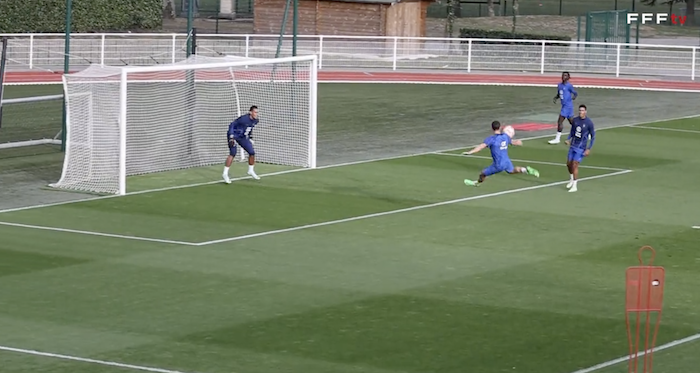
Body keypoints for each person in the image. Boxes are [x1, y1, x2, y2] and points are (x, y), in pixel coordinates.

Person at [463, 121, 540, 186]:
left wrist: (470, 152)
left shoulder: (491, 139)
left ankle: (477, 183)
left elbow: (480, 146)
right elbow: (513, 142)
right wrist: (518, 142)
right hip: (506, 161)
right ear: (500, 127)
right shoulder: (505, 136)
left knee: (483, 173)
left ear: (492, 128)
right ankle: (525, 169)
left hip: (498, 164)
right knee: (512, 170)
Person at [223, 105, 260, 184]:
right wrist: (231, 137)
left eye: (257, 112)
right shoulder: (243, 119)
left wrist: (250, 137)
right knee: (233, 153)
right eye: (255, 112)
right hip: (234, 136)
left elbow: (250, 129)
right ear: (250, 112)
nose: (256, 114)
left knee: (252, 152)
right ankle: (225, 174)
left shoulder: (255, 120)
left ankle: (251, 170)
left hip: (242, 137)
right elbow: (232, 125)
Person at [565, 104, 596, 193]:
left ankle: (575, 185)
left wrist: (588, 148)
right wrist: (568, 139)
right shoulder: (575, 120)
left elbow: (593, 136)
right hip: (573, 145)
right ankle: (571, 179)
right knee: (568, 164)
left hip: (581, 147)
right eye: (580, 110)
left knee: (575, 164)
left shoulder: (589, 123)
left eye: (582, 110)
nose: (581, 112)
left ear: (585, 112)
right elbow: (572, 132)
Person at [548, 71, 578, 145]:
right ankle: (585, 132)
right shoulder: (559, 85)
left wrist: (573, 97)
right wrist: (556, 97)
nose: (563, 77)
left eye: (565, 76)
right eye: (563, 75)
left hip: (568, 106)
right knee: (572, 122)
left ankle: (557, 139)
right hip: (564, 106)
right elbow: (560, 93)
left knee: (560, 121)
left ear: (568, 77)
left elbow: (575, 93)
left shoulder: (569, 86)